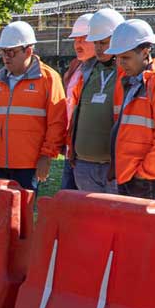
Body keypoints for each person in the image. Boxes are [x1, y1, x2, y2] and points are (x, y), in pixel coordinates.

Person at [0, 20, 67, 192]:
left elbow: (57, 122)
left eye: (11, 52)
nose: (5, 57)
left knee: (22, 215)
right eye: (3, 52)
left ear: (29, 51)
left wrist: (46, 156)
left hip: (28, 165)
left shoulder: (48, 79)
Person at [108, 19, 155, 202]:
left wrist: (144, 173)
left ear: (145, 53)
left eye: (125, 58)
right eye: (117, 58)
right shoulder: (130, 82)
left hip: (149, 181)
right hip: (130, 176)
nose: (120, 64)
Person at [65, 7, 125, 193]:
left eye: (103, 43)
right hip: (83, 166)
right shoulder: (86, 71)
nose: (98, 48)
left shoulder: (129, 75)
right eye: (96, 43)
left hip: (112, 169)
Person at [60, 12, 94, 190]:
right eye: (76, 39)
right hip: (71, 150)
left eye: (84, 39)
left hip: (90, 154)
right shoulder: (75, 67)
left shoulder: (106, 73)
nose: (78, 44)